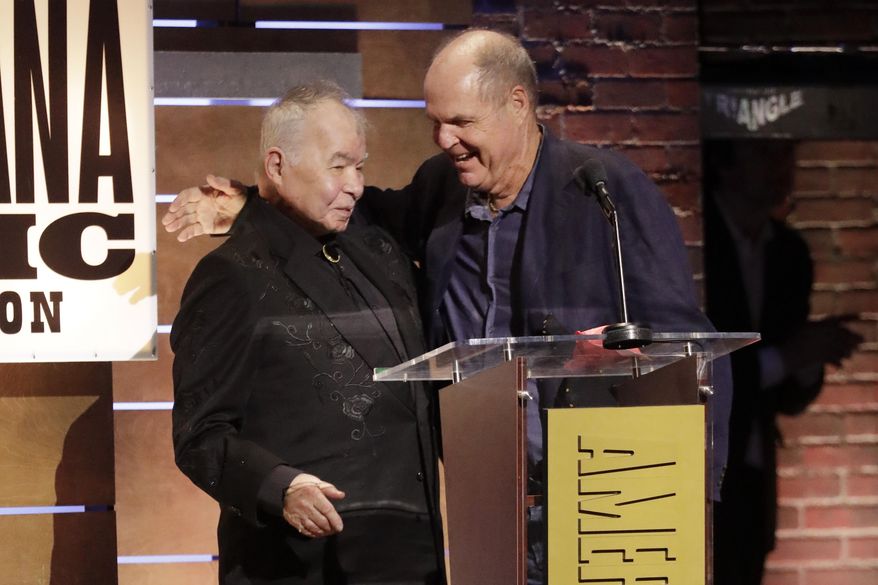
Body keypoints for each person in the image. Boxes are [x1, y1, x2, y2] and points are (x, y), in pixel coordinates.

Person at [164, 29, 732, 584]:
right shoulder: (443, 186)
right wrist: (253, 206)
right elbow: (347, 215)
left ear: (516, 105)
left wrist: (695, 491)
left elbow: (687, 348)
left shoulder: (601, 191)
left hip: (599, 500)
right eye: (434, 122)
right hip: (483, 506)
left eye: (461, 121)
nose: (442, 139)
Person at [170, 81, 444, 585]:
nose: (356, 184)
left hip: (410, 552)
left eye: (359, 166)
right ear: (277, 166)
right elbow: (199, 435)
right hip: (300, 562)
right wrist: (282, 487)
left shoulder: (379, 245)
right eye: (337, 166)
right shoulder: (232, 276)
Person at [704, 140, 861, 585]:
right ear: (726, 163)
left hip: (752, 471)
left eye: (786, 156)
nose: (782, 168)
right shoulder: (698, 240)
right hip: (698, 461)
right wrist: (790, 356)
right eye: (766, 154)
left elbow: (790, 396)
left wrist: (809, 356)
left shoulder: (789, 253)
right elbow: (697, 363)